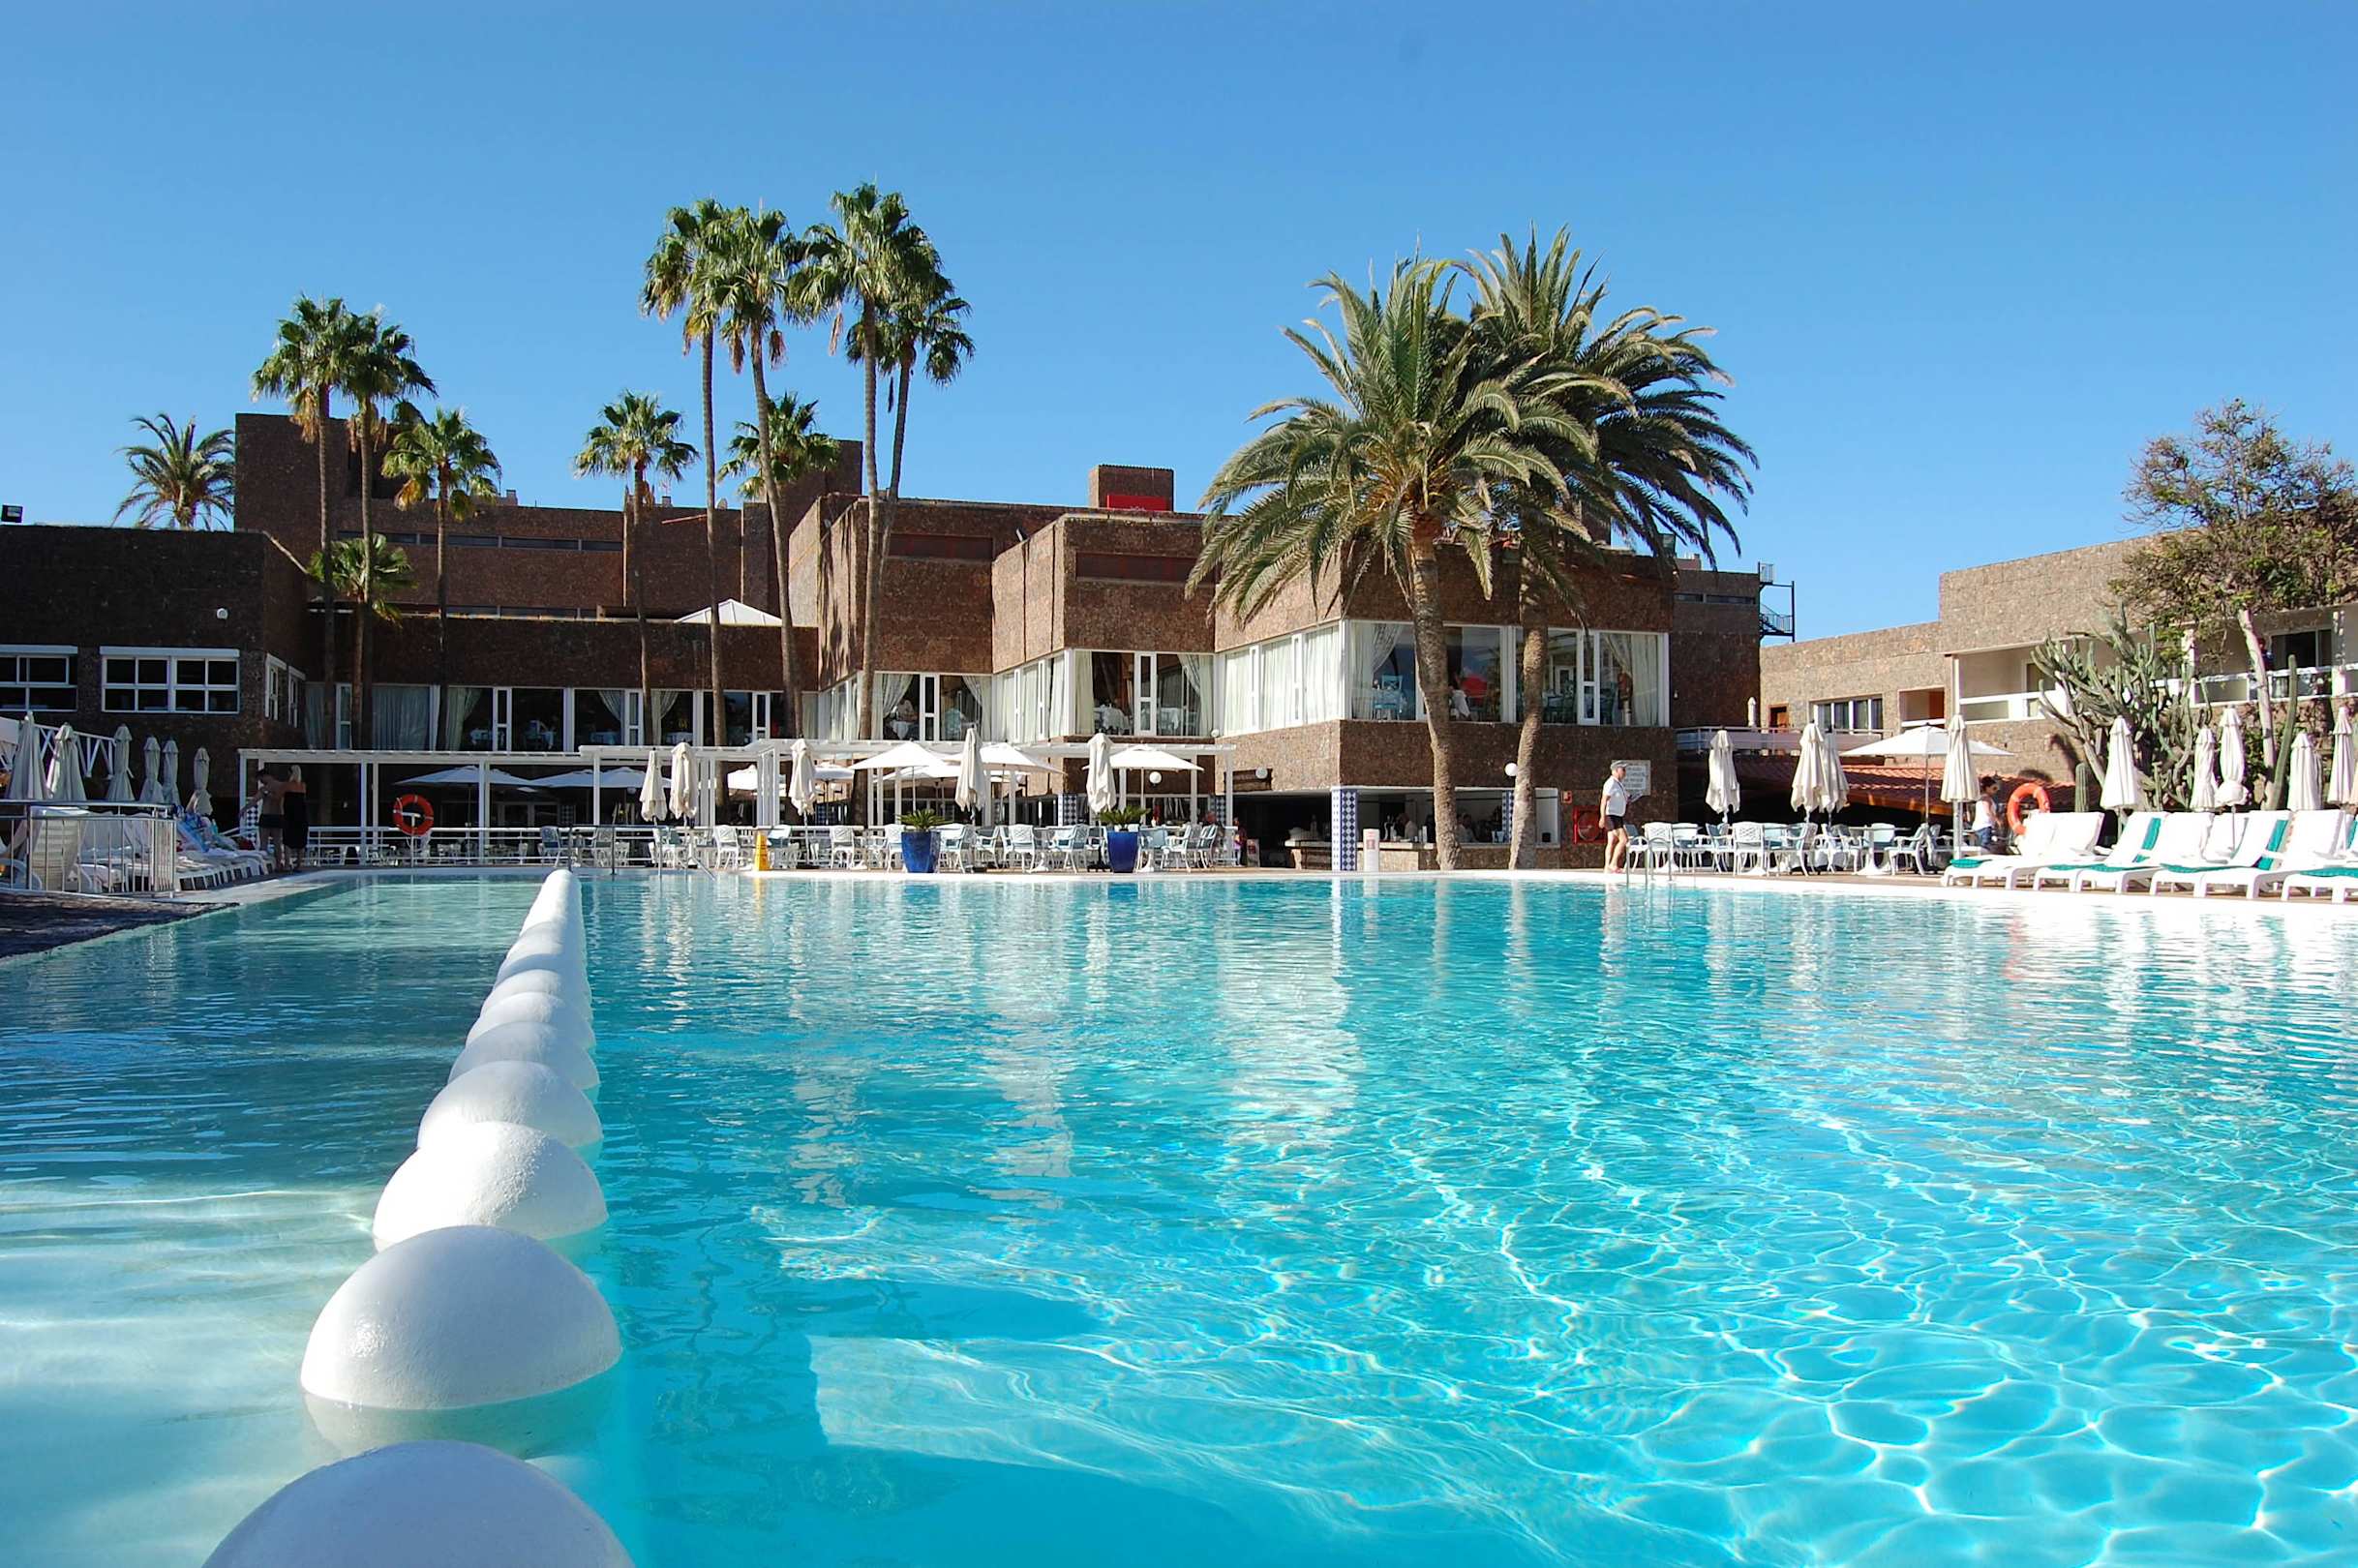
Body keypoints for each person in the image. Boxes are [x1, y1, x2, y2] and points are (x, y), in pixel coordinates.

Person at [1600, 762, 1632, 871]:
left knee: (1612, 841)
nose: (1624, 773)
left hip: (1617, 816)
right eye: (1623, 770)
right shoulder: (1611, 783)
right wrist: (1602, 817)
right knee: (1624, 840)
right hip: (1612, 816)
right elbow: (1604, 801)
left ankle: (1607, 866)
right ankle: (1613, 864)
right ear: (1615, 771)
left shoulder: (1618, 784)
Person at [280, 766, 310, 868]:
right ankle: (299, 864)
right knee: (301, 841)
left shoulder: (287, 785)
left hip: (290, 815)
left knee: (287, 840)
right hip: (301, 815)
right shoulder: (303, 786)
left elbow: (279, 797)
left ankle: (287, 864)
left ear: (291, 773)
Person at [1970, 778, 1999, 851]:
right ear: (1987, 788)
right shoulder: (1986, 799)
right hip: (1985, 827)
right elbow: (1988, 811)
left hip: (1978, 827)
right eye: (1994, 788)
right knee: (1985, 849)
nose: (1996, 791)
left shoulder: (1980, 798)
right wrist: (1997, 821)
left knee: (1979, 849)